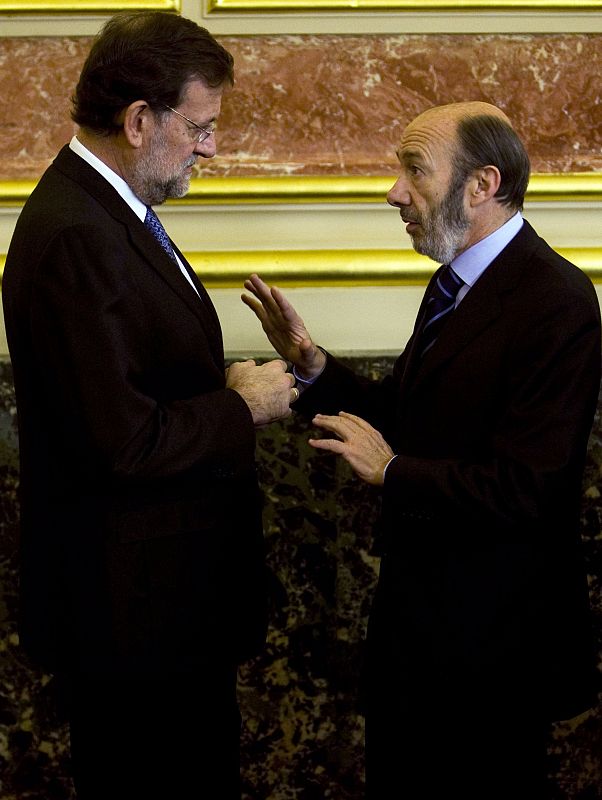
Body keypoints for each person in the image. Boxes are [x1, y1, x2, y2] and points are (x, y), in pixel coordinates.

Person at [242, 101, 601, 798]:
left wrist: (395, 474)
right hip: (423, 644)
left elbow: (529, 487)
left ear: (481, 184)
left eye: (414, 170)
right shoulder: (455, 282)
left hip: (493, 656)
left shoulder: (555, 298)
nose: (394, 192)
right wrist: (313, 364)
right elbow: (402, 418)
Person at [1, 10, 298, 800]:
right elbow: (122, 443)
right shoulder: (77, 234)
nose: (211, 147)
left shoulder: (108, 214)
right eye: (199, 127)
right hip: (134, 627)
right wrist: (243, 406)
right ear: (139, 121)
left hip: (163, 616)